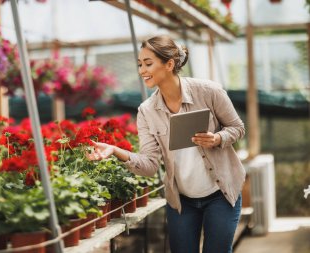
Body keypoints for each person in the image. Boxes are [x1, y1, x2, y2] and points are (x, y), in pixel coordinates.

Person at [87, 35, 245, 253]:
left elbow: (237, 128)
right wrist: (115, 151)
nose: (142, 70)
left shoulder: (208, 91)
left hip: (222, 193)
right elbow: (150, 164)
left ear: (169, 64)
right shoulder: (147, 111)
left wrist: (217, 138)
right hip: (182, 202)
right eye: (140, 64)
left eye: (148, 63)